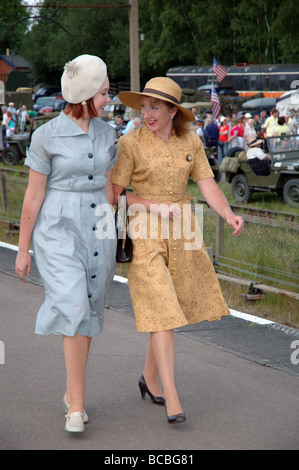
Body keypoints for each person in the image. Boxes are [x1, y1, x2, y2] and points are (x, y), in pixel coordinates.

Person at [111, 77, 243, 425]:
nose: (147, 113)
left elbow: (207, 183)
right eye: (144, 106)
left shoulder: (191, 141)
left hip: (184, 230)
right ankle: (172, 396)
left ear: (173, 110)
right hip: (143, 230)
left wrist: (228, 214)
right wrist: (153, 205)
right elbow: (115, 195)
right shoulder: (129, 143)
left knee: (170, 309)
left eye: (155, 107)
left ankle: (148, 378)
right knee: (162, 306)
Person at [15, 54, 117, 433]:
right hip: (58, 227)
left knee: (88, 306)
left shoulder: (109, 133)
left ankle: (72, 392)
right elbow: (33, 196)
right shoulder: (46, 136)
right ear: (87, 92)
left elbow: (109, 189)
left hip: (99, 226)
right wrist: (23, 249)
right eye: (105, 93)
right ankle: (76, 406)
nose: (110, 99)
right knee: (74, 303)